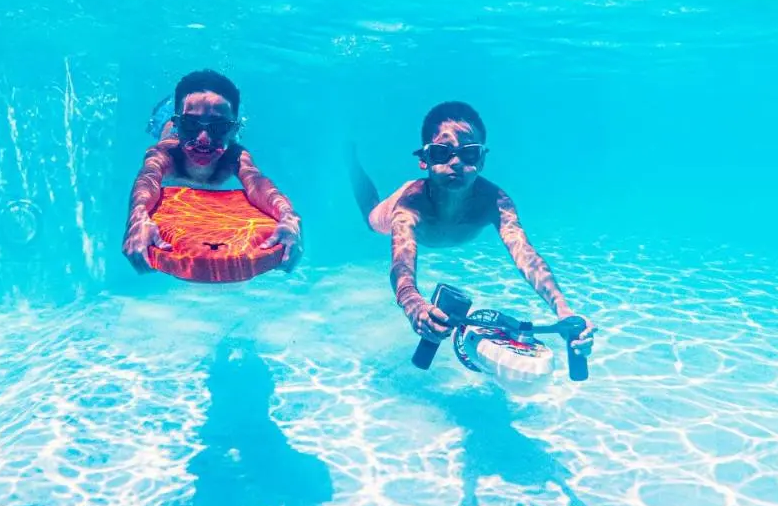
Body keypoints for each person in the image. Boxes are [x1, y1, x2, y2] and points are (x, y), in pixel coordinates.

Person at [350, 101, 593, 353]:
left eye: (468, 153)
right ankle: (351, 163)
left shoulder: (495, 201)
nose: (455, 162)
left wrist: (564, 311)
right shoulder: (411, 204)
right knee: (371, 220)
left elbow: (526, 255)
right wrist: (414, 306)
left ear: (482, 160)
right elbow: (401, 267)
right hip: (401, 201)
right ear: (424, 159)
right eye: (441, 152)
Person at [123, 70, 303, 272]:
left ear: (234, 130)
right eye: (189, 125)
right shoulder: (167, 153)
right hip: (165, 116)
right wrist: (136, 220)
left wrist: (289, 217)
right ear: (176, 124)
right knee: (153, 127)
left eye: (219, 128)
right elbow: (148, 178)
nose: (203, 140)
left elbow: (257, 182)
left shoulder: (233, 157)